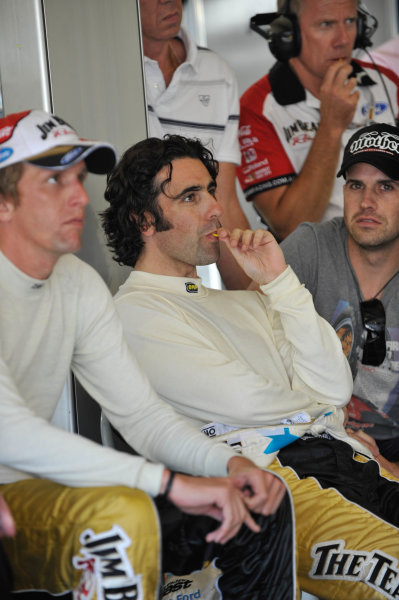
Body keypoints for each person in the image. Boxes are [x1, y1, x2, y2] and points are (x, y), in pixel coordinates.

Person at [0, 109, 291, 600]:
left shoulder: (77, 284)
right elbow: (7, 428)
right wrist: (168, 483)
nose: (78, 196)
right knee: (124, 514)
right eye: (53, 181)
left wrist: (229, 466)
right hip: (17, 491)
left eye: (78, 178)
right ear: (4, 202)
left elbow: (141, 416)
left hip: (27, 493)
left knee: (256, 503)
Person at [102, 133, 399, 600]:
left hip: (348, 463)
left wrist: (279, 280)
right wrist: (321, 414)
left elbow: (334, 384)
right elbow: (248, 403)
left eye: (211, 192)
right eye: (190, 197)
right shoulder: (133, 313)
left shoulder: (247, 303)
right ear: (144, 220)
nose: (216, 209)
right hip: (278, 479)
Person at [281, 122, 399, 471]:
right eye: (355, 185)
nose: (366, 202)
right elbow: (252, 348)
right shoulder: (310, 247)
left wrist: (386, 469)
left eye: (386, 187)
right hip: (313, 437)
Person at [236, 0, 399, 240]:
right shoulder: (257, 108)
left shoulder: (386, 81)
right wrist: (331, 127)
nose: (343, 40)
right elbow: (290, 228)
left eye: (351, 21)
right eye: (326, 24)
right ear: (287, 34)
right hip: (319, 267)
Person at [140, 0, 253, 289]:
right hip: (127, 276)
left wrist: (257, 304)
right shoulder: (93, 69)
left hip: (189, 286)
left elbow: (222, 202)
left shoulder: (215, 71)